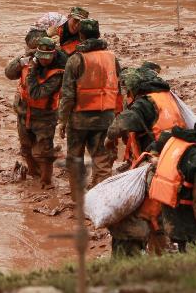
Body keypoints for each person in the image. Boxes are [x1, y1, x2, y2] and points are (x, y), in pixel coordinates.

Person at [58, 18, 121, 195]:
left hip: (79, 120)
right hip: (106, 117)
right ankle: (102, 200)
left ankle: (78, 199)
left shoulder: (75, 60)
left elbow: (68, 95)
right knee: (102, 160)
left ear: (81, 35)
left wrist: (62, 121)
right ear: (99, 35)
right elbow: (120, 87)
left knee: (75, 159)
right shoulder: (112, 58)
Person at [148, 112, 196, 252]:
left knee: (175, 252)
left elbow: (152, 147)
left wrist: (153, 160)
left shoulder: (173, 140)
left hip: (167, 213)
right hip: (187, 223)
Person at [6, 33, 66, 187]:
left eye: (47, 57)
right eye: (41, 56)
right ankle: (33, 174)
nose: (44, 60)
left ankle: (46, 182)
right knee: (26, 148)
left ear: (53, 54)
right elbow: (9, 73)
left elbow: (36, 93)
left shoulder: (58, 73)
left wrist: (32, 70)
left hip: (44, 117)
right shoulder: (29, 59)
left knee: (43, 152)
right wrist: (19, 63)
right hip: (23, 113)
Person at [105, 63, 185, 166]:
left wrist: (109, 139)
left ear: (133, 88)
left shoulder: (144, 103)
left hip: (158, 150)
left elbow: (120, 125)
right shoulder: (165, 94)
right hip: (177, 145)